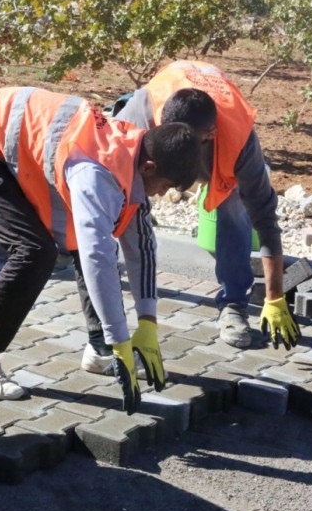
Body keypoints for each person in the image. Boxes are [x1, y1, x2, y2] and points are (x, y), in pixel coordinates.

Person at [0, 86, 202, 414]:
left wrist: (147, 321)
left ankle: (100, 349)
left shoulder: (131, 150)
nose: (161, 195)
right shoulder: (97, 173)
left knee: (83, 237)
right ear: (149, 167)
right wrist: (122, 338)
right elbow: (98, 257)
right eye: (164, 186)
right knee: (34, 251)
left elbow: (142, 243)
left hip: (13, 145)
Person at [112, 59, 301, 351]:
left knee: (235, 204)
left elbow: (264, 215)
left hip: (216, 152)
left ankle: (234, 304)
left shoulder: (239, 144)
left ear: (209, 133)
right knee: (124, 186)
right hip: (160, 113)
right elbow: (103, 174)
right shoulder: (140, 114)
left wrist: (274, 295)